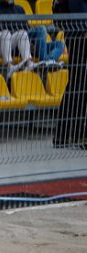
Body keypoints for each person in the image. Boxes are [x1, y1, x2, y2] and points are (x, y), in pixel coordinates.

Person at [53, 0, 86, 149]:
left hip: (79, 33)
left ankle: (69, 134)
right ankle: (70, 135)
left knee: (78, 84)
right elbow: (77, 6)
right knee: (78, 85)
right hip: (79, 35)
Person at [0, 0, 65, 67]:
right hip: (14, 45)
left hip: (28, 44)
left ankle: (50, 61)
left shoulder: (19, 9)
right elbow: (2, 35)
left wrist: (31, 43)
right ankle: (45, 61)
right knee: (41, 29)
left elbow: (27, 29)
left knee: (60, 44)